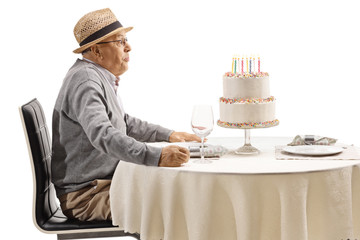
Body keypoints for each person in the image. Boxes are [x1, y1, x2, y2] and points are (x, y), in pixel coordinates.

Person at [51, 8, 201, 221]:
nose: (129, 47)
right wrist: (157, 156)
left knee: (177, 192)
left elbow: (123, 123)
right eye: (120, 42)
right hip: (87, 196)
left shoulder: (94, 76)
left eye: (125, 40)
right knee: (178, 206)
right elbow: (103, 134)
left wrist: (170, 135)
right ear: (96, 50)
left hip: (102, 185)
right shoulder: (86, 81)